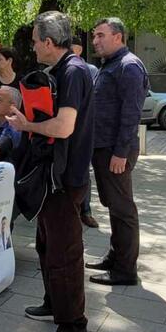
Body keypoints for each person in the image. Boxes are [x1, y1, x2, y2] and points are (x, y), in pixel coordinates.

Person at [7, 10, 95, 332]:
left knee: (64, 251)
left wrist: (26, 126)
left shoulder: (73, 71)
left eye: (34, 41)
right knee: (47, 244)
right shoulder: (58, 71)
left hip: (65, 177)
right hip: (53, 175)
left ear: (47, 41)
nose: (32, 47)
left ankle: (74, 325)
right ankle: (54, 304)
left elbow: (63, 127)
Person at [83, 17, 149, 287]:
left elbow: (131, 114)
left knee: (123, 209)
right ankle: (116, 256)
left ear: (119, 37)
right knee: (113, 206)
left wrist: (120, 153)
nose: (95, 41)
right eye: (94, 36)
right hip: (103, 148)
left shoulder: (128, 66)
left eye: (101, 35)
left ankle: (125, 270)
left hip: (115, 150)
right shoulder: (109, 65)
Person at [70, 36, 101, 229]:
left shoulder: (90, 71)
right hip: (64, 132)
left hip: (84, 130)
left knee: (84, 172)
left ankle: (86, 211)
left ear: (79, 50)